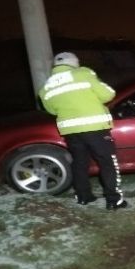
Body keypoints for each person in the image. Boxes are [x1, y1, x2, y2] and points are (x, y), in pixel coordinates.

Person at [39, 52, 127, 210]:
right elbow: (108, 94)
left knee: (79, 163)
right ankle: (114, 200)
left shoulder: (46, 86)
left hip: (70, 131)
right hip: (94, 128)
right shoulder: (83, 73)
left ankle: (83, 196)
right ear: (74, 62)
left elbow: (51, 110)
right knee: (107, 163)